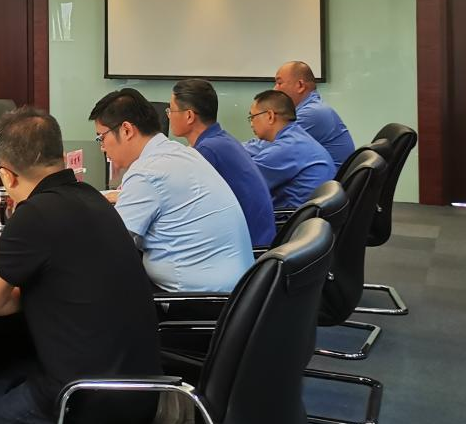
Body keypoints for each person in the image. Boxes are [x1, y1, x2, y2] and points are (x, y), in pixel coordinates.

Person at [0, 107, 160, 424]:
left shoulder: (36, 213)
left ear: (7, 175)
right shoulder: (93, 199)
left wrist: (3, 281)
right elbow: (60, 280)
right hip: (138, 387)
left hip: (84, 401)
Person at [91, 88, 253, 292]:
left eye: (101, 137)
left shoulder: (147, 172)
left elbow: (111, 244)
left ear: (126, 130)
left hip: (197, 299)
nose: (102, 147)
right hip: (236, 289)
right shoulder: (180, 153)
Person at [167, 79, 276, 246]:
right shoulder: (220, 140)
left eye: (171, 110)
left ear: (189, 116)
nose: (168, 116)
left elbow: (180, 206)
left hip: (246, 248)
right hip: (254, 240)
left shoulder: (207, 151)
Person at [244, 90, 335, 209]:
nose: (251, 124)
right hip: (305, 215)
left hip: (287, 218)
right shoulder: (296, 137)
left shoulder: (287, 147)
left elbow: (243, 181)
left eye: (252, 117)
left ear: (270, 116)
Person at [274, 61, 355, 172]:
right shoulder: (310, 108)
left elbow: (273, 149)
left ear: (300, 86)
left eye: (279, 83)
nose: (275, 89)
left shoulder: (311, 113)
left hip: (328, 181)